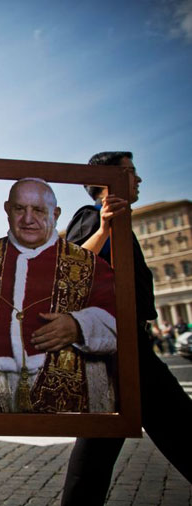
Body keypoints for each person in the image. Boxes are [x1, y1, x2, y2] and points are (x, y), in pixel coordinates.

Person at [61, 151, 192, 504]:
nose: (139, 179)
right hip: (117, 350)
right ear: (108, 181)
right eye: (131, 172)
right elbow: (68, 269)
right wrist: (103, 229)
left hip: (123, 348)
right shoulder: (92, 217)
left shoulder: (119, 220)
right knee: (179, 430)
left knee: (98, 450)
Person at [0, 178, 117, 413]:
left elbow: (119, 319)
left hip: (71, 401)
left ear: (55, 213)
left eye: (38, 210)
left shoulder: (89, 264)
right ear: (8, 210)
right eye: (19, 209)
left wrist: (80, 326)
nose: (28, 219)